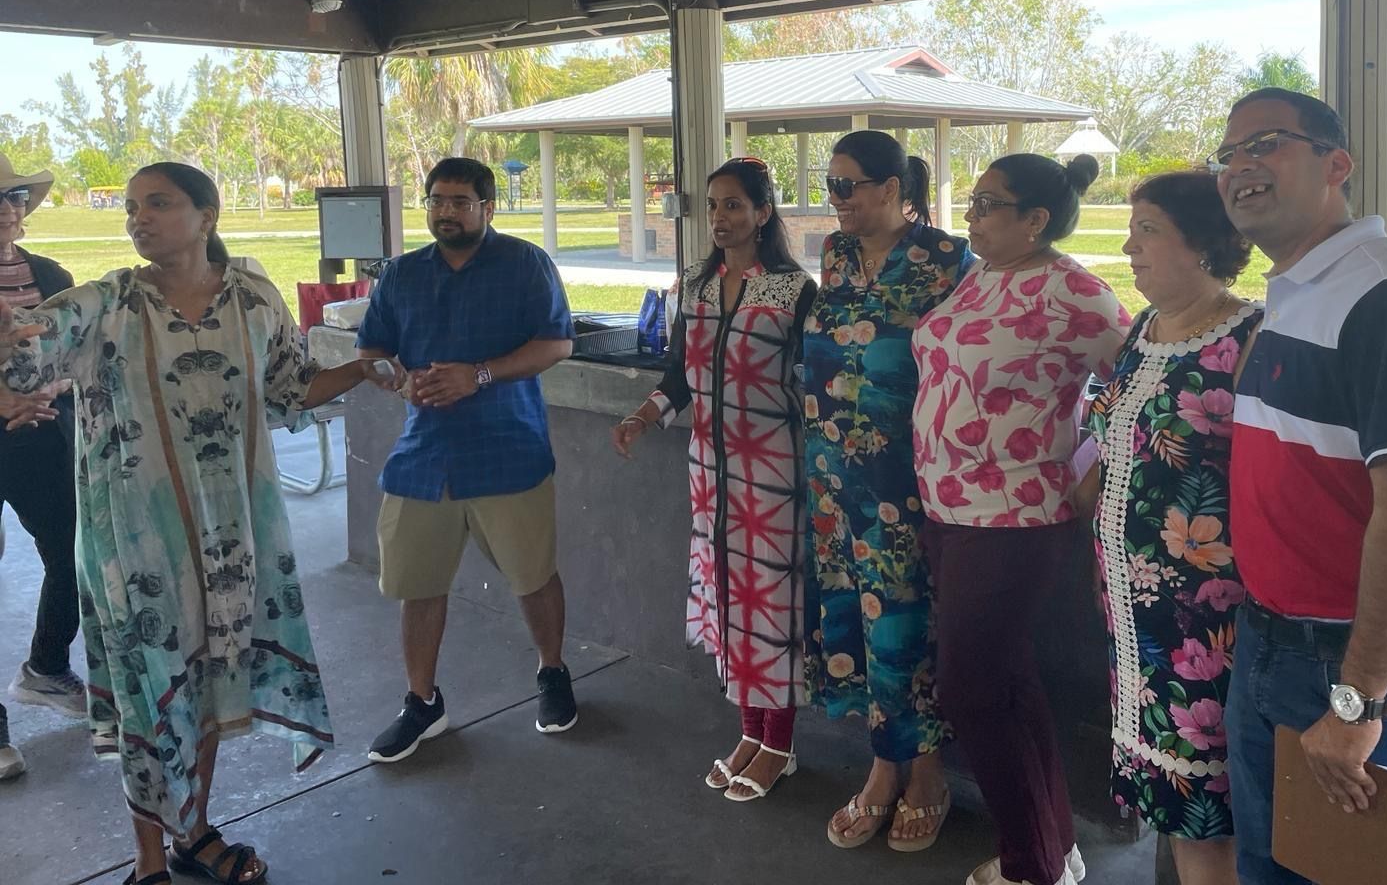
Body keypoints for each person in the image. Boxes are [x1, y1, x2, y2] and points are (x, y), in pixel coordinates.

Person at [0, 162, 403, 885]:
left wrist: (363, 369)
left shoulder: (253, 297)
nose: (139, 218)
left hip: (232, 535)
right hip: (133, 543)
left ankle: (195, 830)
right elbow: (28, 369)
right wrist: (18, 334)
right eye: (131, 208)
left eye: (159, 203)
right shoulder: (106, 302)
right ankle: (149, 863)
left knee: (211, 679)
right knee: (146, 691)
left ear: (206, 215)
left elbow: (291, 386)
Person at [1213, 89, 1387, 885]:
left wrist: (1359, 702)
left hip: (1375, 681)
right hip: (1275, 652)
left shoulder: (1386, 295)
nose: (1241, 167)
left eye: (1266, 144)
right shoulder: (1296, 291)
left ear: (1338, 165)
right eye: (1228, 154)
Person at [913, 153, 1129, 885]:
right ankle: (1052, 843)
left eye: (987, 203)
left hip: (1014, 518)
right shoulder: (981, 275)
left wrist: (1096, 467)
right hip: (948, 510)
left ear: (1036, 219)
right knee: (1007, 680)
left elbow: (1145, 387)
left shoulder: (1079, 294)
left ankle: (1030, 864)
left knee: (969, 689)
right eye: (972, 201)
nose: (970, 215)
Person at [356, 156, 577, 764]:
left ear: (487, 207)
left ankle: (552, 673)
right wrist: (395, 380)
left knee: (532, 575)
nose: (446, 211)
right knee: (418, 585)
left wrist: (477, 376)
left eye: (459, 201)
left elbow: (557, 341)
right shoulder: (400, 275)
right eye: (437, 201)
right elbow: (372, 349)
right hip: (423, 456)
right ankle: (422, 703)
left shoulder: (525, 264)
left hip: (508, 450)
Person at [611, 157, 817, 801]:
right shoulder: (696, 288)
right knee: (732, 603)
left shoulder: (792, 291)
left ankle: (778, 744)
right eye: (713, 206)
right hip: (710, 477)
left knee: (772, 609)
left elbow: (812, 383)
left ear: (764, 212)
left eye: (734, 205)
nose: (721, 218)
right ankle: (749, 733)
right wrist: (645, 416)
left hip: (773, 477)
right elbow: (681, 375)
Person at [1081, 170, 1260, 885]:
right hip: (1133, 617)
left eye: (1147, 230)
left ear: (1202, 241)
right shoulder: (1144, 331)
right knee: (1170, 799)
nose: (1129, 247)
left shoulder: (1248, 336)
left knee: (1208, 807)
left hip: (1204, 623)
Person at [802, 129, 973, 853]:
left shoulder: (947, 260)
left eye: (847, 186)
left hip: (902, 479)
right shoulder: (835, 255)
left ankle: (925, 774)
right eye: (829, 187)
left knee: (904, 622)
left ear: (894, 190)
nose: (834, 200)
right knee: (852, 616)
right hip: (832, 479)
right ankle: (882, 766)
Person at [0, 156, 86, 783]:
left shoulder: (52, 274)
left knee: (73, 553)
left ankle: (47, 667)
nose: (8, 206)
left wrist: (52, 388)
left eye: (14, 194)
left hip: (44, 440)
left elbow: (73, 347)